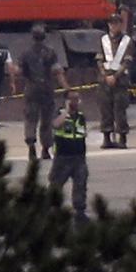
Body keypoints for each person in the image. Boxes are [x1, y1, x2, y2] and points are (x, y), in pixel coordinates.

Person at [19, 23, 69, 161]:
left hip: (31, 89)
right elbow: (57, 71)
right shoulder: (51, 52)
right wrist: (66, 88)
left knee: (30, 118)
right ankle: (46, 149)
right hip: (47, 89)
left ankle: (31, 147)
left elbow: (21, 72)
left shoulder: (25, 53)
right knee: (46, 119)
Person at [50, 90, 89, 223]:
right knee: (56, 184)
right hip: (63, 157)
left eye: (77, 99)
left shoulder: (81, 116)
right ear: (66, 100)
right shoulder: (59, 114)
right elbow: (55, 125)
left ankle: (80, 211)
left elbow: (83, 133)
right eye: (72, 99)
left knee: (80, 184)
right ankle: (52, 211)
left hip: (79, 157)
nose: (75, 102)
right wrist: (66, 112)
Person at [97, 14, 134, 149]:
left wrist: (115, 76)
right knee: (105, 109)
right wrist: (105, 76)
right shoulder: (103, 40)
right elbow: (99, 60)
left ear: (120, 24)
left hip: (120, 79)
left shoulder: (127, 41)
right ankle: (107, 137)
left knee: (120, 109)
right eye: (111, 23)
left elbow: (127, 62)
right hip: (105, 80)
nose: (113, 26)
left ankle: (122, 138)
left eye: (116, 23)